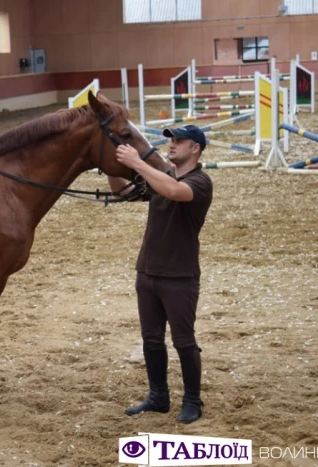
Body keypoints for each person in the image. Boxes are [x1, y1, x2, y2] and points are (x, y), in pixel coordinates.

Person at [108, 124, 213, 424]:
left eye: (179, 141)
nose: (172, 145)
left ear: (195, 148)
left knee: (184, 341)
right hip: (148, 271)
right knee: (151, 339)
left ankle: (193, 400)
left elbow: (174, 191)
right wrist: (112, 166)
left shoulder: (200, 181)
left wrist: (138, 163)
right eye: (171, 140)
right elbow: (123, 191)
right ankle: (158, 396)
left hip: (180, 276)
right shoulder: (160, 178)